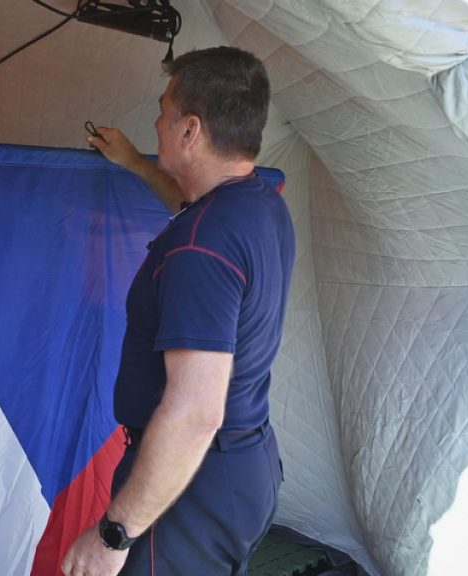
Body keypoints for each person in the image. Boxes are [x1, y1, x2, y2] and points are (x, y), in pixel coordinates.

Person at [62, 46, 295, 575]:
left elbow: (194, 414)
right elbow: (192, 208)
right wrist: (137, 164)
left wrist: (113, 535)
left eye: (164, 113)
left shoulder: (199, 248)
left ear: (190, 130)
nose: (156, 122)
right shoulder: (258, 205)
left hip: (190, 483)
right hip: (244, 463)